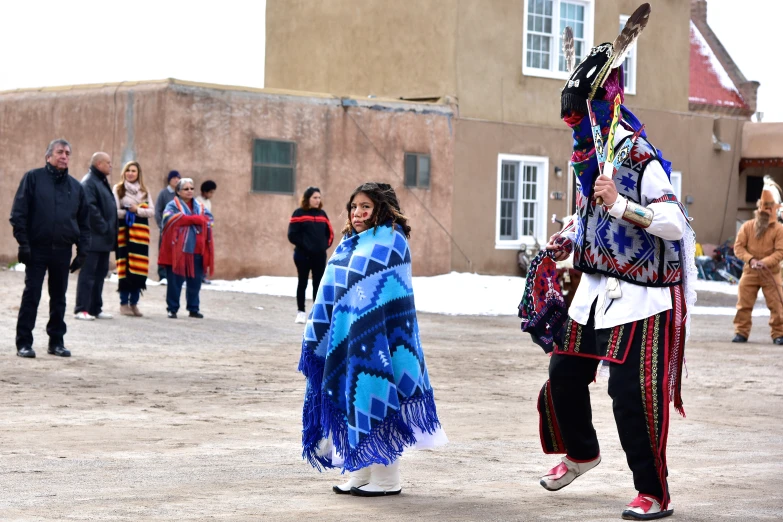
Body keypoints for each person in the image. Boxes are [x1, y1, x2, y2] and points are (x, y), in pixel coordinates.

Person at [536, 7, 697, 520]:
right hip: (595, 290)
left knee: (632, 394)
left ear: (611, 102)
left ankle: (653, 491)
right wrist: (566, 236)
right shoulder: (590, 154)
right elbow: (590, 214)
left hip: (641, 295)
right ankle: (582, 451)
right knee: (563, 374)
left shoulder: (640, 156)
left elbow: (675, 223)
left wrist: (624, 205)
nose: (580, 122)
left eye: (586, 109)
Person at [299, 182, 446, 497]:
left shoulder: (391, 242)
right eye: (353, 207)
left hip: (382, 340)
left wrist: (366, 326)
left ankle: (388, 478)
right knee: (353, 400)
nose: (357, 213)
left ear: (381, 208)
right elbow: (335, 290)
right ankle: (361, 470)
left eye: (365, 206)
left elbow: (387, 295)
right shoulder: (349, 243)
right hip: (348, 337)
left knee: (375, 393)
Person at [10, 139, 90, 358]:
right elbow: (19, 214)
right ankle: (24, 343)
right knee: (32, 295)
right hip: (37, 248)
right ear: (48, 156)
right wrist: (24, 244)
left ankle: (56, 342)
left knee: (59, 298)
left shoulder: (76, 187)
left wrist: (82, 251)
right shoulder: (33, 178)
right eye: (59, 152)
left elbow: (84, 222)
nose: (64, 156)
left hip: (62, 250)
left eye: (67, 153)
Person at [732, 177, 783, 344]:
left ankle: (778, 334)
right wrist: (751, 260)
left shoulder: (779, 230)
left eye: (768, 208)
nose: (764, 211)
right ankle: (741, 332)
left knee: (777, 305)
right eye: (763, 207)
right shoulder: (747, 227)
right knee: (743, 304)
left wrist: (765, 262)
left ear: (775, 209)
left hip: (771, 273)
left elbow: (780, 251)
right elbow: (738, 247)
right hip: (750, 271)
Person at [158, 178, 214, 319]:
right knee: (175, 282)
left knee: (195, 282)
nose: (189, 191)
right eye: (186, 189)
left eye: (191, 188)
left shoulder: (200, 206)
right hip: (178, 251)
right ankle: (172, 308)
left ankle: (193, 308)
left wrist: (189, 220)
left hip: (196, 249)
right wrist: (194, 220)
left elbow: (209, 220)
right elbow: (168, 219)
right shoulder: (172, 205)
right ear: (178, 191)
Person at [74, 152, 117, 321]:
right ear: (99, 164)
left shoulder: (101, 181)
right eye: (108, 162)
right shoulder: (89, 182)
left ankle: (95, 308)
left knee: (100, 274)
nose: (110, 165)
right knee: (88, 274)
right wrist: (104, 226)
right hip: (93, 238)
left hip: (104, 239)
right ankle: (81, 309)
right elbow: (90, 208)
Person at [113, 161, 155, 317]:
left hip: (141, 235)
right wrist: (127, 212)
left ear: (138, 174)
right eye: (128, 170)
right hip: (124, 233)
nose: (130, 173)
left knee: (139, 268)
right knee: (124, 268)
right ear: (124, 173)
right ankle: (124, 303)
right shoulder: (118, 189)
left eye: (134, 171)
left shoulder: (144, 191)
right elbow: (114, 211)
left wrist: (136, 209)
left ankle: (134, 303)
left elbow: (152, 212)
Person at [287, 186, 334, 324]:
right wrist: (306, 246)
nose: (317, 200)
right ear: (307, 199)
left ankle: (316, 313)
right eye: (315, 197)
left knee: (318, 284)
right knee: (302, 282)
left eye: (319, 197)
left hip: (319, 256)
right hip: (302, 255)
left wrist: (323, 246)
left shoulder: (322, 214)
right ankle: (301, 312)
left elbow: (330, 234)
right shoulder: (299, 213)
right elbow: (292, 234)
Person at [155, 170, 181, 282]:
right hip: (166, 229)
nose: (176, 180)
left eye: (178, 178)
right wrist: (162, 226)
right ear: (169, 180)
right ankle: (163, 275)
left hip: (179, 230)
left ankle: (177, 275)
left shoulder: (181, 193)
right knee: (163, 251)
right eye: (174, 178)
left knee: (179, 252)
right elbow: (158, 210)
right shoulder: (164, 193)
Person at [196, 180, 217, 284]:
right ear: (204, 191)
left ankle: (204, 275)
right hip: (199, 232)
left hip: (207, 232)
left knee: (206, 254)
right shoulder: (197, 201)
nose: (212, 194)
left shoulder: (208, 202)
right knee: (198, 254)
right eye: (210, 192)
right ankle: (197, 275)